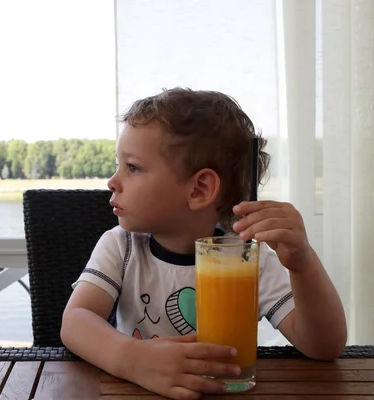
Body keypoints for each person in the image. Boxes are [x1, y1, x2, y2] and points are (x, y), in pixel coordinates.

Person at [60, 88, 347, 400]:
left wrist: (302, 263)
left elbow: (324, 347)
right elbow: (75, 322)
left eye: (132, 167)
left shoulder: (249, 256)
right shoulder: (121, 247)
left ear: (199, 189)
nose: (112, 181)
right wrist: (133, 360)